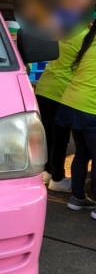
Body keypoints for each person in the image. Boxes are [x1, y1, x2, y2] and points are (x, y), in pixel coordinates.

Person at [35, 28, 87, 191]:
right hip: (60, 91)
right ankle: (57, 178)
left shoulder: (62, 33)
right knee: (60, 138)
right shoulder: (84, 37)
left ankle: (48, 172)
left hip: (44, 87)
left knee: (48, 136)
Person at [56, 18, 96, 216]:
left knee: (83, 153)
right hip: (90, 106)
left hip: (73, 103)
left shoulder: (90, 40)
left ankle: (78, 197)